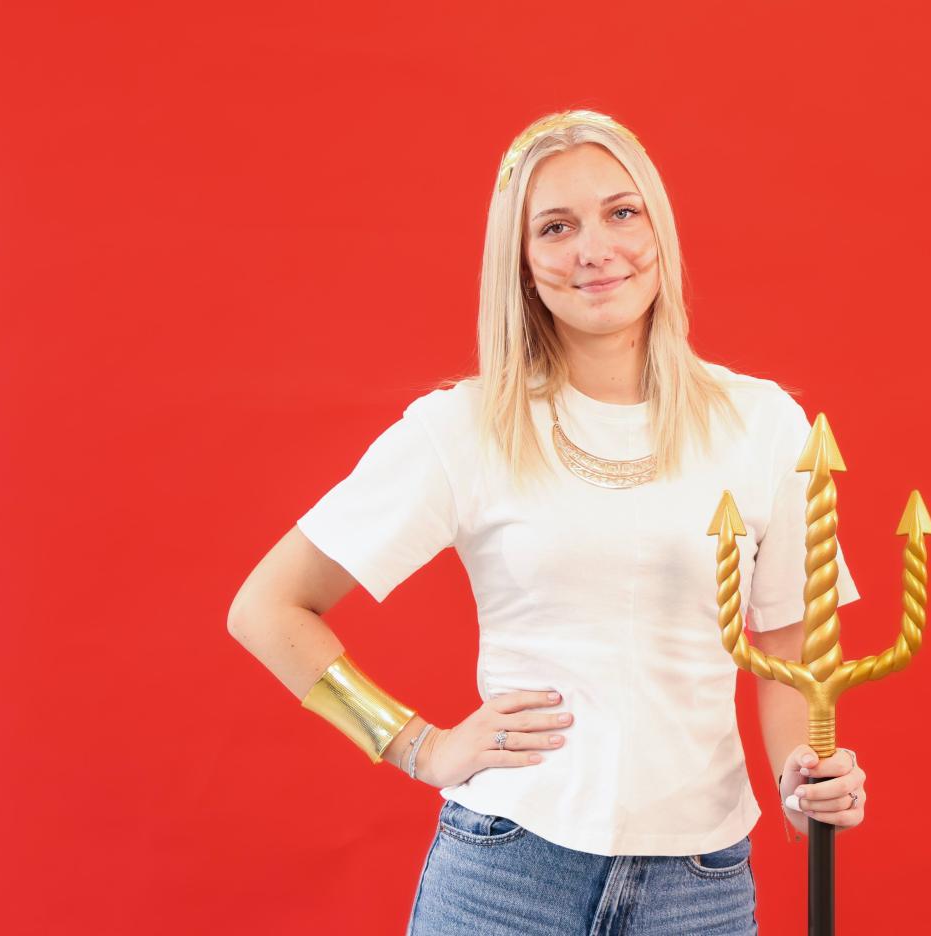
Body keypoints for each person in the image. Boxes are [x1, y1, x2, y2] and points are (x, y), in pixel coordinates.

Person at [227, 109, 869, 935]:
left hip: (699, 890)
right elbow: (266, 607)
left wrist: (799, 778)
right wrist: (415, 744)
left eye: (621, 213)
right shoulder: (465, 427)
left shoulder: (764, 423)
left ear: (660, 229)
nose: (594, 249)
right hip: (506, 876)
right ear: (523, 263)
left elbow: (785, 645)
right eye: (556, 228)